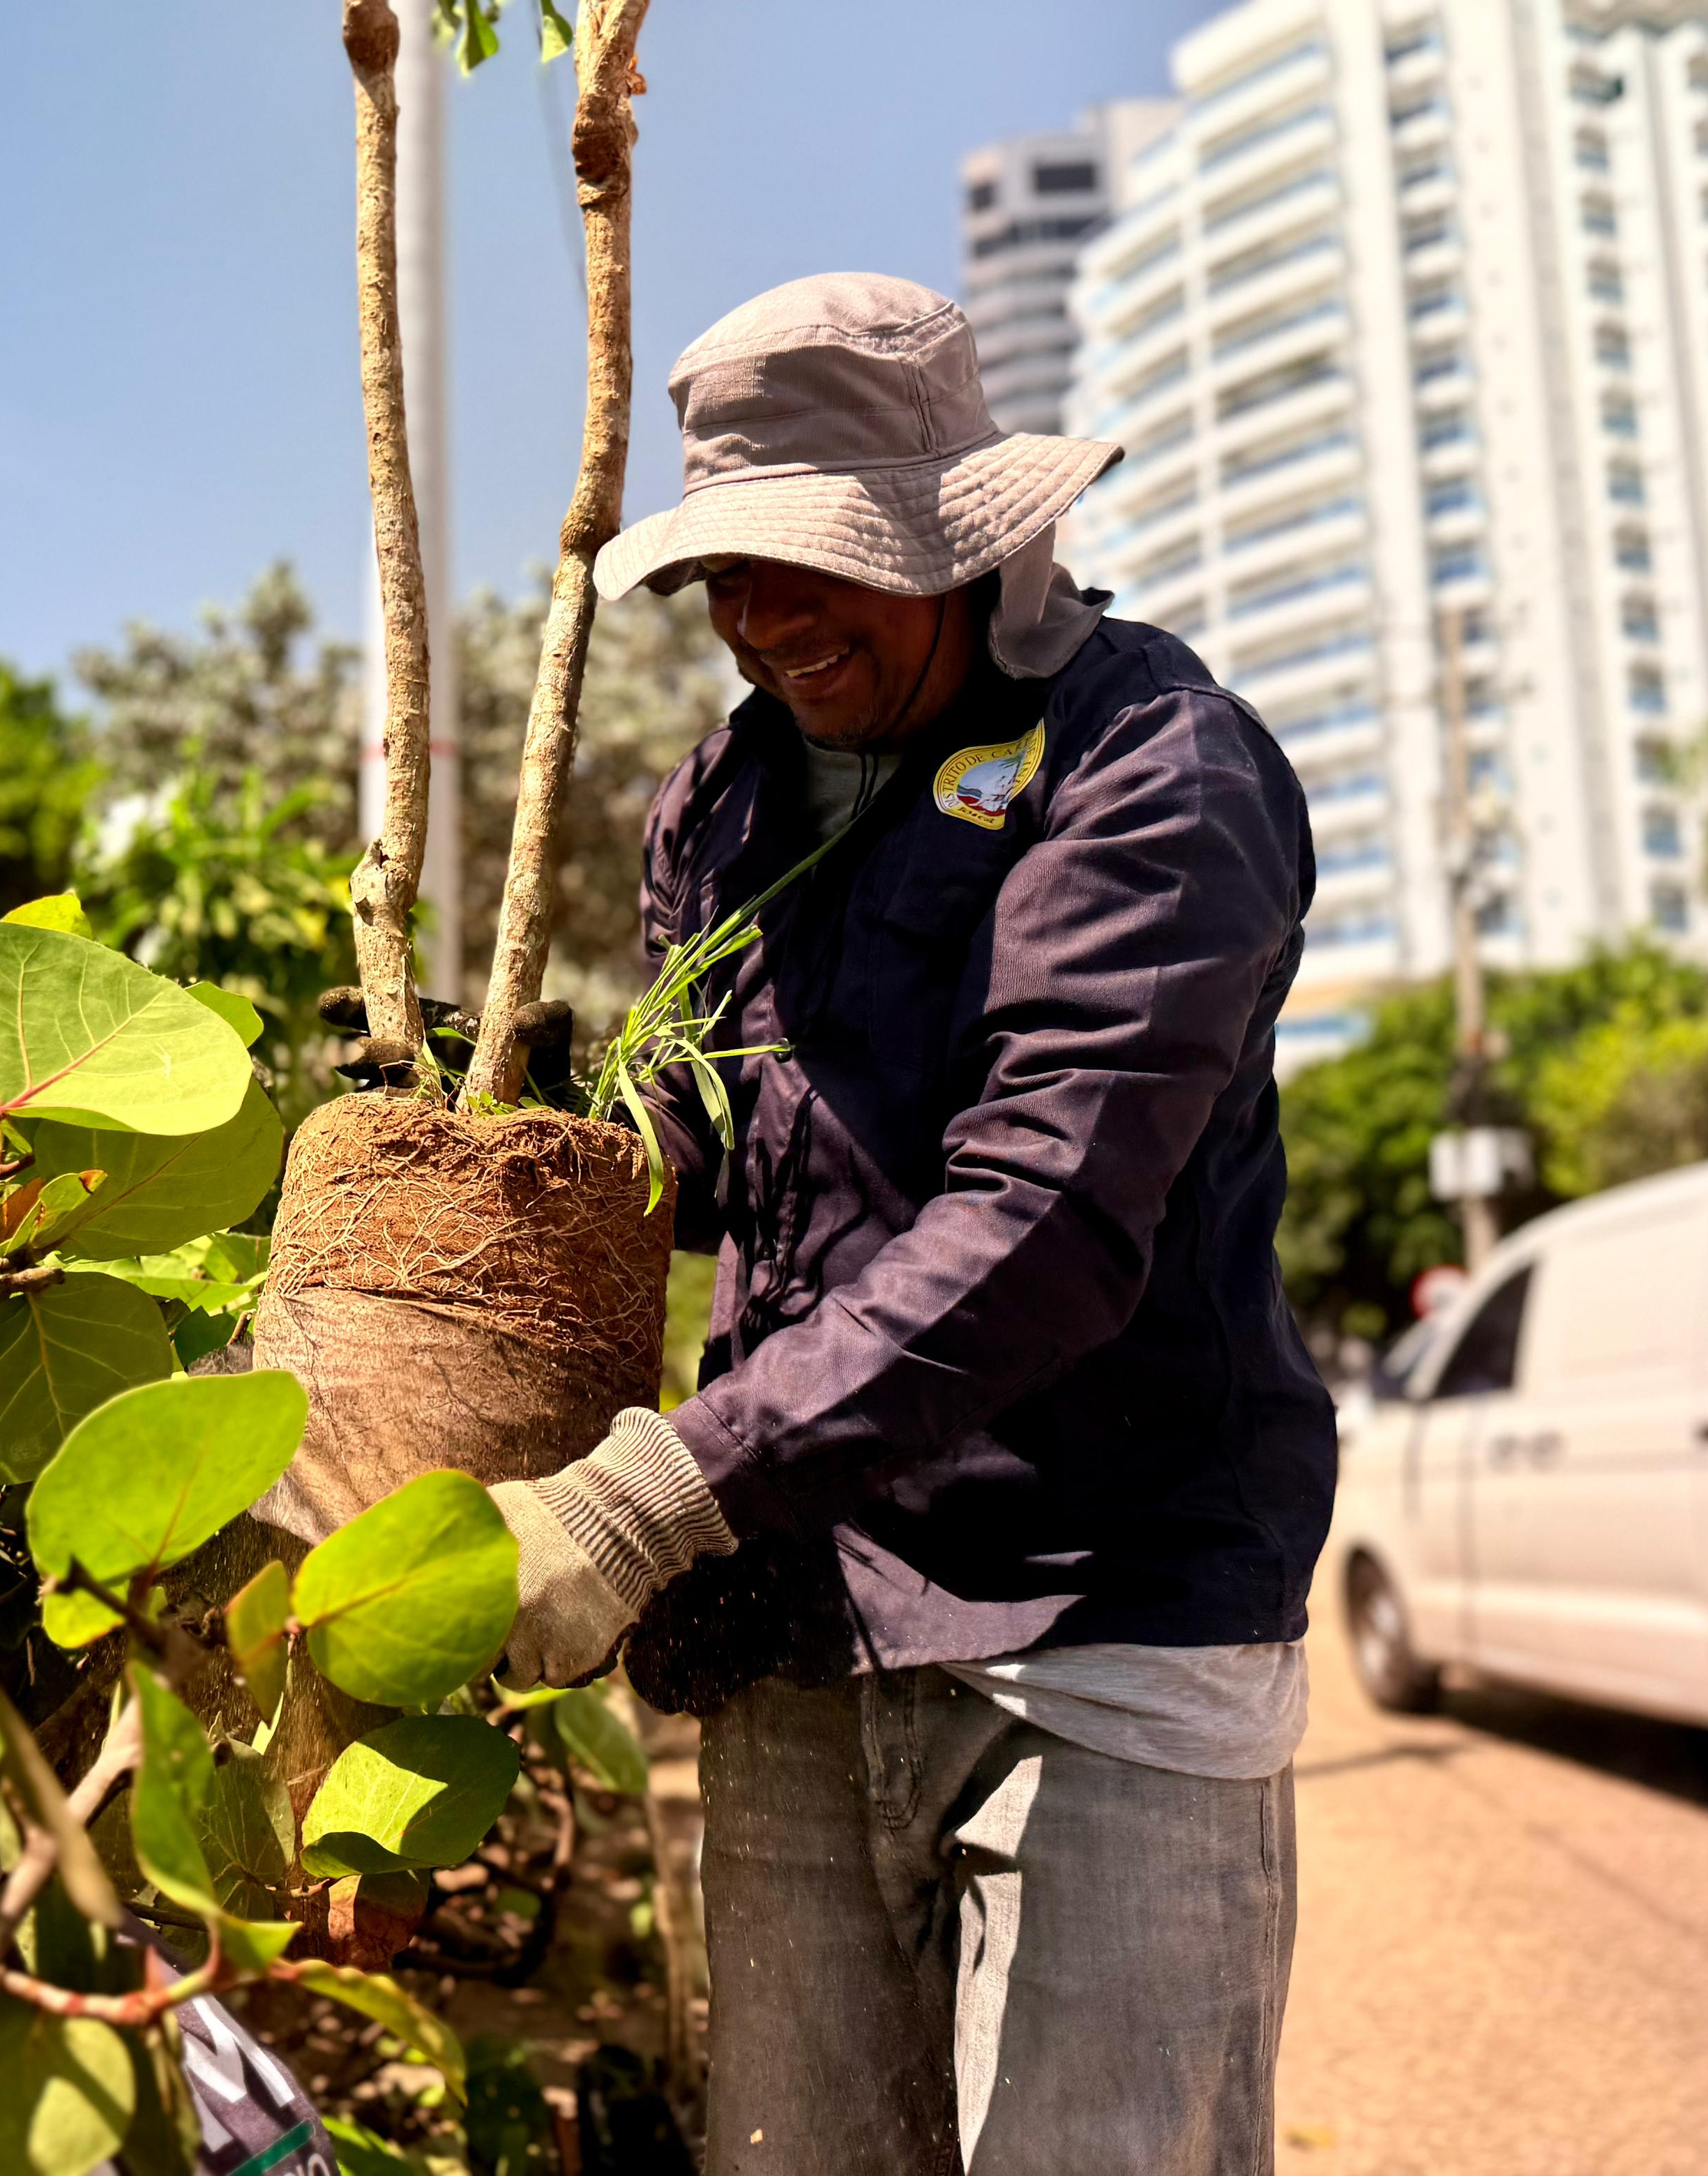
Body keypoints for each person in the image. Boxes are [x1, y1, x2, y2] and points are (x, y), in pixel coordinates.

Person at [484, 273, 1336, 2174]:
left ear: (966, 532)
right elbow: (710, 1160)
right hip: (806, 1611)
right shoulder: (720, 798)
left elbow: (1042, 1223)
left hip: (1104, 1618)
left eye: (824, 564)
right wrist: (497, 1176)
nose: (768, 623)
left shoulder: (1149, 774)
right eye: (731, 577)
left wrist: (642, 1503)